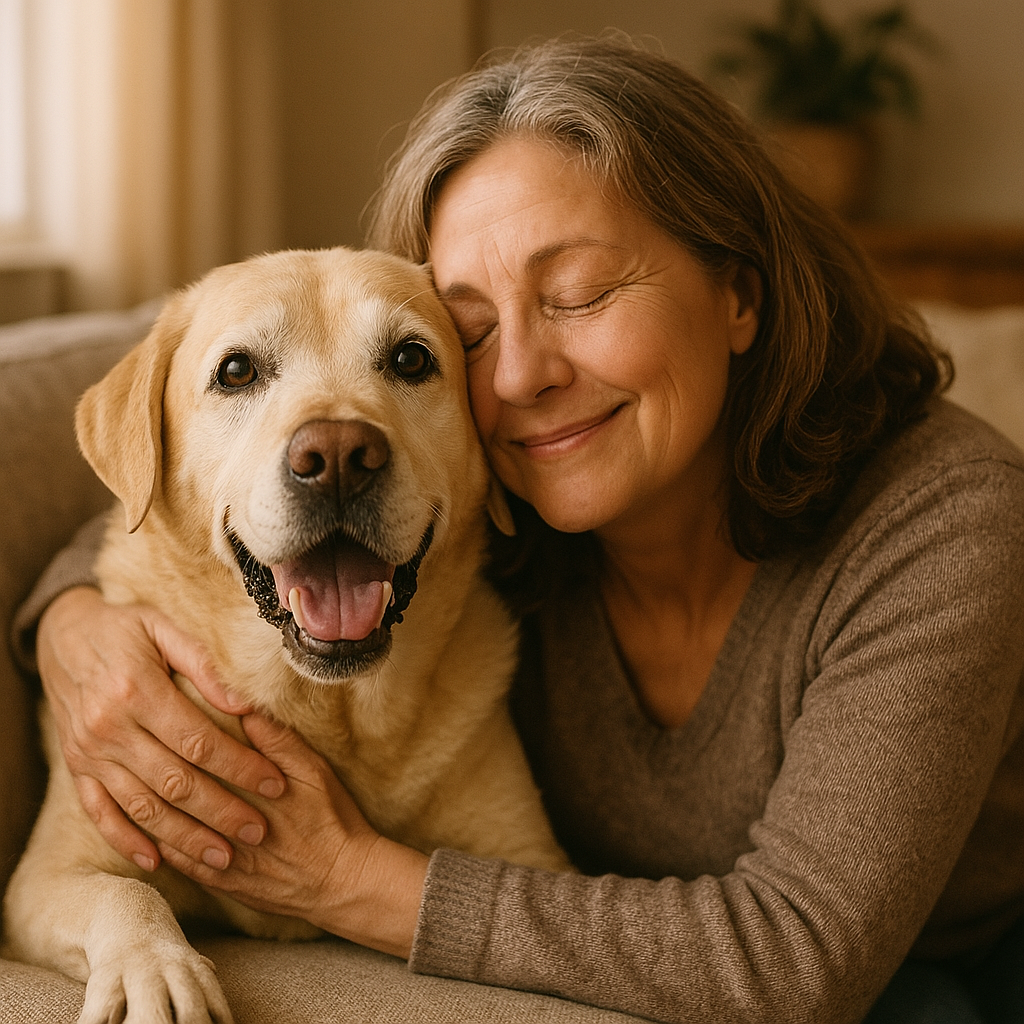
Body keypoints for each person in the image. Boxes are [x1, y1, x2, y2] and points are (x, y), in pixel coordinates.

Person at [16, 35, 1024, 1024]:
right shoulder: (511, 487)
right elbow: (175, 502)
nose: (517, 377)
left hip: (948, 963)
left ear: (738, 293)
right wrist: (69, 626)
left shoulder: (945, 520)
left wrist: (339, 877)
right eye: (470, 332)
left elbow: (794, 963)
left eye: (580, 292)